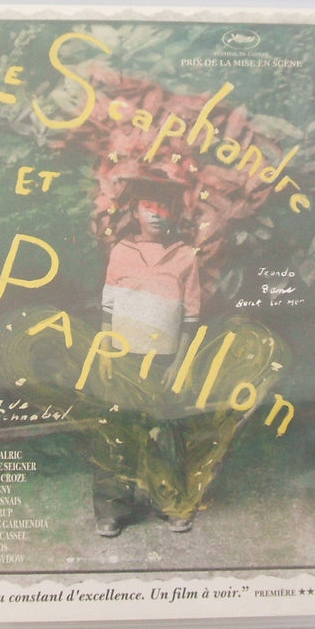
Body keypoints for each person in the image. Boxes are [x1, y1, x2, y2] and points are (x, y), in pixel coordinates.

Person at [91, 171, 201, 537]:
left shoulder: (184, 256)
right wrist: (105, 353)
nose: (155, 213)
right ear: (135, 210)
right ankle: (113, 508)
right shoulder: (122, 252)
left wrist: (179, 362)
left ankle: (170, 503)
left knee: (166, 433)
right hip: (124, 357)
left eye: (164, 207)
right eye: (148, 205)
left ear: (174, 212)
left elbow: (191, 314)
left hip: (164, 360)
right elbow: (108, 307)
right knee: (117, 430)